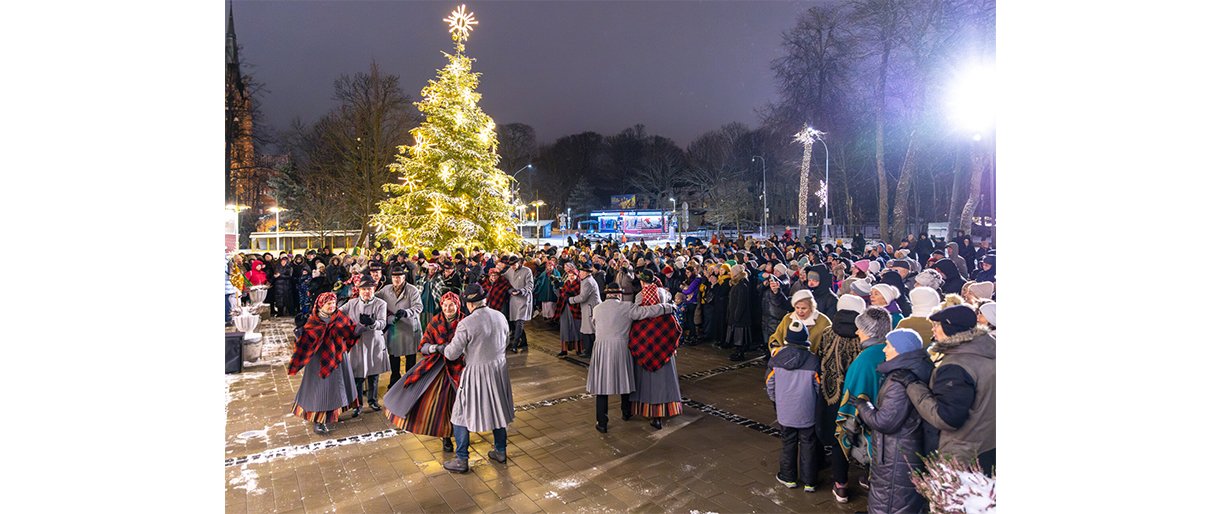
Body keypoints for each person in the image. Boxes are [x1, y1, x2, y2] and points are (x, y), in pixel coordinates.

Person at [426, 284, 515, 473]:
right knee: (498, 410)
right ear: (484, 300)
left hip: (476, 372)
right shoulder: (500, 316)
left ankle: (461, 459)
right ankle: (500, 451)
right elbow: (506, 340)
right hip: (499, 370)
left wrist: (440, 348)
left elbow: (451, 354)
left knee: (459, 415)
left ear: (468, 304)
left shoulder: (466, 323)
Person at [900, 305, 997, 475]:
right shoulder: (989, 351)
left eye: (937, 325)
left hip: (963, 456)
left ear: (950, 329)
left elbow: (946, 419)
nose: (933, 329)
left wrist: (913, 387)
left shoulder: (956, 366)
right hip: (989, 446)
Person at [854, 329, 934, 514]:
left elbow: (885, 422)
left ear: (900, 350)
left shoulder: (899, 380)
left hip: (895, 456)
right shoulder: (913, 370)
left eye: (888, 346)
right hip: (902, 452)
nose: (884, 350)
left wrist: (863, 406)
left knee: (889, 504)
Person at [587, 282, 676, 433]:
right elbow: (648, 311)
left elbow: (595, 325)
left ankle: (602, 422)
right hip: (621, 348)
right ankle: (626, 412)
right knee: (624, 380)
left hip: (601, 348)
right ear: (619, 294)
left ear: (606, 294)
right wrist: (667, 307)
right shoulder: (626, 307)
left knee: (602, 387)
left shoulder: (597, 309)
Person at [384, 291, 465, 454]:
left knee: (462, 402)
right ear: (441, 306)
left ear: (458, 305)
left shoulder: (465, 322)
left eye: (452, 305)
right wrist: (437, 348)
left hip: (461, 367)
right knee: (442, 404)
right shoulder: (435, 322)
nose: (448, 308)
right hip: (439, 367)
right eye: (445, 305)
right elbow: (423, 345)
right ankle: (446, 436)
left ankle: (463, 435)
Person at [835, 307, 893, 493]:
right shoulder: (890, 350)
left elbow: (851, 401)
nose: (856, 332)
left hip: (872, 423)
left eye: (860, 328)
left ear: (868, 332)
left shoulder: (864, 361)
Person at [814, 294, 866, 503]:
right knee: (865, 435)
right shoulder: (863, 334)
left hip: (831, 394)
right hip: (858, 395)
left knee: (838, 439)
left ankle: (841, 485)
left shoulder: (828, 332)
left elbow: (819, 357)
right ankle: (869, 478)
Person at [287, 292, 361, 434]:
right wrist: (299, 331)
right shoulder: (313, 321)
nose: (332, 306)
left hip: (338, 357)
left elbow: (351, 332)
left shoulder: (340, 317)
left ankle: (335, 413)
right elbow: (303, 342)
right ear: (321, 305)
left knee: (338, 387)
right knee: (320, 390)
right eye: (328, 304)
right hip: (319, 361)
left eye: (333, 303)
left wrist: (362, 326)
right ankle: (318, 420)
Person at [766, 321, 822, 494]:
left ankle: (788, 477)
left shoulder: (775, 360)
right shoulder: (813, 361)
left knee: (788, 442)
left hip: (785, 412)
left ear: (787, 339)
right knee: (808, 444)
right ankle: (809, 481)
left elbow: (770, 384)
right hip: (807, 411)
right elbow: (818, 388)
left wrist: (778, 401)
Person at [627, 270, 684, 429]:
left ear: (642, 282)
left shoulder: (640, 295)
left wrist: (656, 309)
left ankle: (651, 412)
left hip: (645, 343)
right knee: (665, 378)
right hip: (663, 342)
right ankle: (665, 410)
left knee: (647, 380)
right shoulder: (664, 294)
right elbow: (670, 314)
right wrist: (664, 307)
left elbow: (635, 313)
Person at [339, 275, 390, 416]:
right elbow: (338, 314)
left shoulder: (381, 304)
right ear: (359, 290)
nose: (367, 292)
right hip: (357, 343)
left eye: (369, 289)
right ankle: (358, 404)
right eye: (364, 289)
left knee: (373, 375)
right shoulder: (351, 303)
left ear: (374, 289)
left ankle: (373, 401)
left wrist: (373, 323)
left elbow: (383, 323)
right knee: (358, 376)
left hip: (374, 341)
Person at [378, 266, 424, 387]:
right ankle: (395, 380)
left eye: (399, 277)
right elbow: (375, 298)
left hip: (409, 327)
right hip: (394, 329)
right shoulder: (386, 290)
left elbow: (419, 307)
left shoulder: (412, 290)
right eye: (394, 277)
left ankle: (410, 381)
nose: (396, 279)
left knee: (410, 357)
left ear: (404, 277)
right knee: (393, 356)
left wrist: (406, 312)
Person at [766, 289, 831, 354]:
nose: (800, 311)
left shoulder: (823, 322)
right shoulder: (788, 318)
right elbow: (776, 338)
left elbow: (830, 345)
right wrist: (777, 351)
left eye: (803, 308)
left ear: (812, 307)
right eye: (797, 307)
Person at [569, 265, 602, 358]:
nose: (579, 274)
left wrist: (571, 300)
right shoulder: (586, 280)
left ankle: (589, 351)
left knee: (590, 330)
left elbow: (583, 297)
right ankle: (588, 350)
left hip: (590, 309)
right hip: (588, 308)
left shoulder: (588, 282)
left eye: (581, 272)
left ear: (586, 273)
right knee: (587, 329)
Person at [505, 256, 534, 353]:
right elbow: (504, 280)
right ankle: (524, 341)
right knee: (515, 321)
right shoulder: (509, 270)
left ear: (519, 262)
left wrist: (521, 291)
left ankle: (515, 344)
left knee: (519, 322)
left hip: (524, 299)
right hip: (513, 299)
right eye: (511, 265)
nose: (512, 267)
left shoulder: (527, 271)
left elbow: (530, 285)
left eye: (514, 264)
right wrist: (510, 291)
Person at [725, 265, 753, 361]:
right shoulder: (737, 284)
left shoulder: (742, 285)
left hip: (740, 316)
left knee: (740, 336)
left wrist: (737, 315)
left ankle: (740, 352)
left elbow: (741, 303)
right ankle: (738, 351)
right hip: (735, 314)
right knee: (737, 335)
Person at [556, 264, 583, 356]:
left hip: (575, 309)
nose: (571, 277)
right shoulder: (566, 283)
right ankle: (564, 349)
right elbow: (562, 294)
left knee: (576, 328)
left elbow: (580, 296)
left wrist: (570, 296)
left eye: (573, 275)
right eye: (569, 275)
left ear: (576, 275)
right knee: (564, 329)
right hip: (565, 307)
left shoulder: (579, 284)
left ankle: (578, 349)